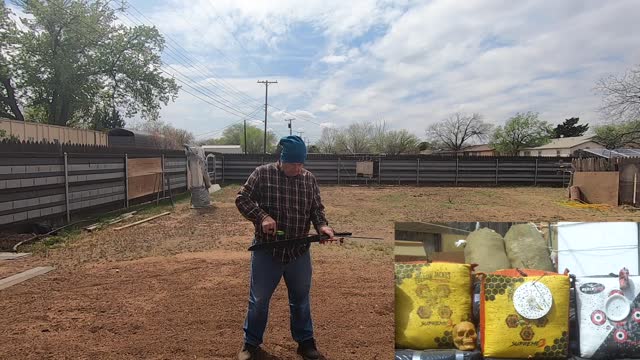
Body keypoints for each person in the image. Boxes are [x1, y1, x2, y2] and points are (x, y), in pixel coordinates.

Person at [235, 135, 335, 360]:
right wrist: (262, 217)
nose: (298, 169)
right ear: (282, 160)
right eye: (294, 164)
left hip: (299, 251)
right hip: (266, 249)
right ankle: (250, 345)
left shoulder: (309, 179)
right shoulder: (262, 174)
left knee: (300, 300)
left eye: (301, 164)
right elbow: (242, 199)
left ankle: (305, 343)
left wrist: (323, 227)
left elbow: (316, 209)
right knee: (259, 300)